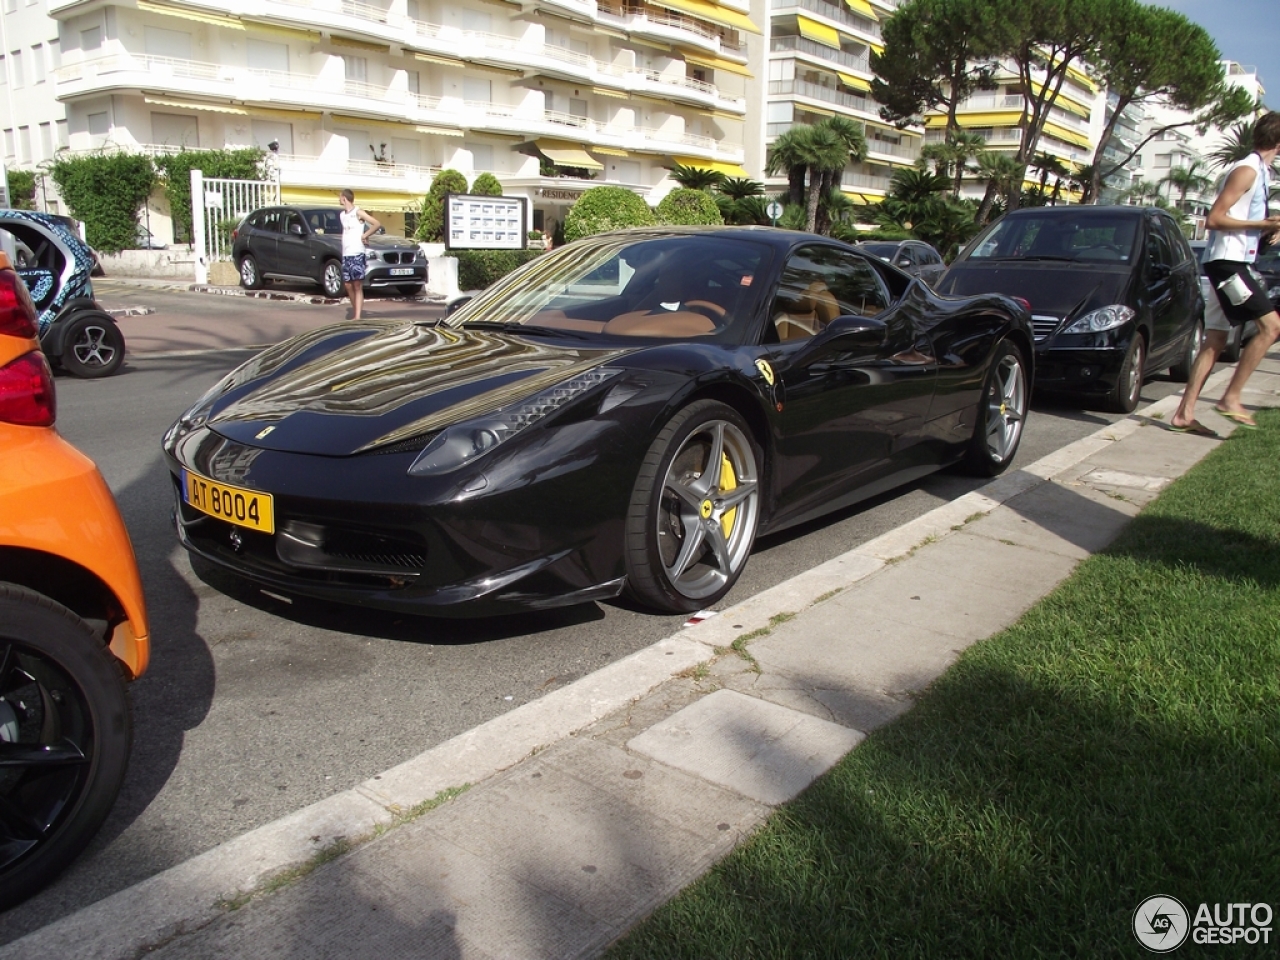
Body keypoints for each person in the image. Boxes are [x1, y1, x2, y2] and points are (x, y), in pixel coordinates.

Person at [1170, 112, 1280, 435]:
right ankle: (1231, 397)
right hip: (1227, 265)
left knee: (1215, 339)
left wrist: (1264, 232)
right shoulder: (1247, 169)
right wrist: (1263, 224)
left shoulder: (1259, 172)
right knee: (1271, 327)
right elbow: (1215, 219)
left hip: (1231, 262)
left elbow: (1236, 219)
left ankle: (1183, 414)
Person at [337, 188, 380, 321]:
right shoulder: (342, 215)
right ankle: (356, 309)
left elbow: (376, 224)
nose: (339, 199)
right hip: (346, 254)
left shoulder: (358, 212)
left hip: (357, 252)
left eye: (340, 197)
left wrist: (365, 235)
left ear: (344, 198)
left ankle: (357, 316)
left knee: (357, 284)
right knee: (348, 284)